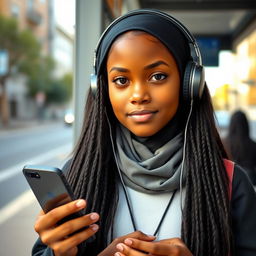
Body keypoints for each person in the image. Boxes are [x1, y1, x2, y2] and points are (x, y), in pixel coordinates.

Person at [32, 9, 256, 256]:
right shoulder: (77, 175)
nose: (139, 95)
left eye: (158, 76)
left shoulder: (231, 182)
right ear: (102, 89)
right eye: (121, 81)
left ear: (189, 83)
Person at [223, 110, 256, 186]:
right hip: (250, 184)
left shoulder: (224, 144)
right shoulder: (253, 145)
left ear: (231, 124)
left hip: (228, 184)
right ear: (246, 125)